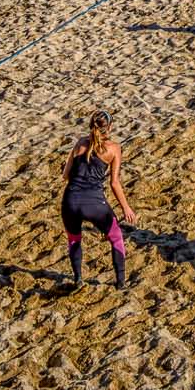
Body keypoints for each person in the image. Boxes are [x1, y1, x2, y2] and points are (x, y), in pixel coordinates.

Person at [60, 112, 137, 288]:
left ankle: (78, 279)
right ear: (109, 127)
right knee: (116, 237)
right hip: (94, 203)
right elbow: (114, 183)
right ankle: (121, 284)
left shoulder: (80, 143)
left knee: (74, 239)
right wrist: (126, 208)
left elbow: (65, 176)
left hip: (70, 200)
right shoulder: (114, 148)